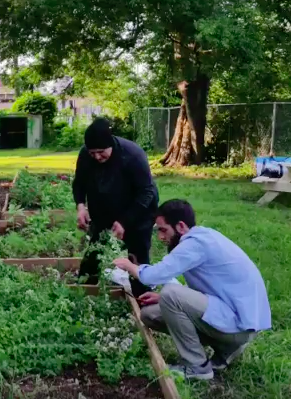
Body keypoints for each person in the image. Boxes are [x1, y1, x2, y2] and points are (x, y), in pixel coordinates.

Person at [113, 199, 272, 380]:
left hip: (239, 324)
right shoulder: (203, 238)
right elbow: (210, 288)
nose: (160, 237)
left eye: (163, 230)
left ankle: (198, 368)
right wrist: (161, 298)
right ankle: (225, 349)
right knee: (150, 314)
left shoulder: (194, 244)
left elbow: (154, 276)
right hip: (237, 317)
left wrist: (129, 266)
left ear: (180, 226)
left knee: (170, 294)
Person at [73, 117, 158, 292]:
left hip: (137, 210)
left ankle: (141, 295)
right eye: (92, 152)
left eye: (101, 151)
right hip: (105, 207)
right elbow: (79, 183)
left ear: (110, 144)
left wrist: (124, 221)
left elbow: (146, 192)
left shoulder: (132, 155)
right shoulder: (85, 155)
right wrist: (81, 206)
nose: (96, 156)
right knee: (96, 246)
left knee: (137, 252)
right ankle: (85, 286)